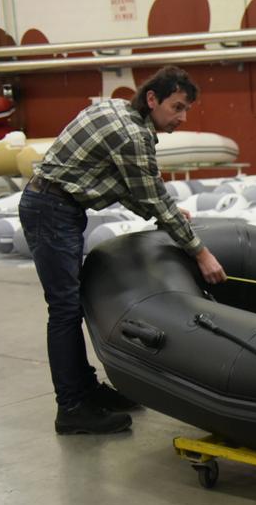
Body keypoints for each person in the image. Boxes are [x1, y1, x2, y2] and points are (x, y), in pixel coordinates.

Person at [19, 66, 227, 436]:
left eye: (186, 110)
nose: (181, 118)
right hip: (52, 210)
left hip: (55, 206)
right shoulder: (134, 136)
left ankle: (85, 389)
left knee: (71, 304)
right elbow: (149, 193)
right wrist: (200, 253)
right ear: (152, 99)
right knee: (64, 309)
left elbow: (126, 186)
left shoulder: (113, 110)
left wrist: (162, 211)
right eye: (177, 107)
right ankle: (72, 407)